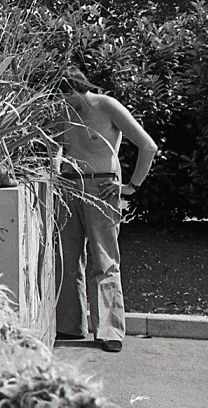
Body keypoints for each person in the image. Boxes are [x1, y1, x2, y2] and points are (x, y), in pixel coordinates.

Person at [55, 66, 158, 352]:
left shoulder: (106, 105)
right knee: (67, 258)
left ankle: (110, 330)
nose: (60, 101)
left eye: (63, 95)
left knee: (104, 259)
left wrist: (132, 187)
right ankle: (69, 325)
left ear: (74, 89)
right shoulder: (65, 112)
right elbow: (58, 149)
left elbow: (147, 146)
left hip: (102, 187)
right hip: (69, 186)